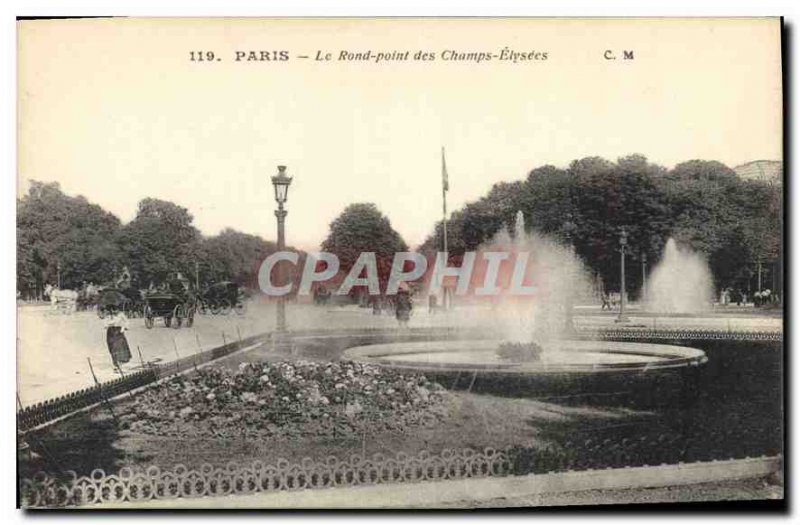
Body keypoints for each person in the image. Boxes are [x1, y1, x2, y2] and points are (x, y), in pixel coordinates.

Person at [104, 306, 132, 373]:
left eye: (115, 310)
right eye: (113, 310)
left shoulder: (121, 314)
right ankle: (116, 365)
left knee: (120, 347)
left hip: (119, 332)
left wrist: (123, 327)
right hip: (111, 332)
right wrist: (110, 323)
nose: (114, 311)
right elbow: (105, 324)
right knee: (113, 348)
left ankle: (120, 364)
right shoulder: (108, 316)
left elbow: (127, 321)